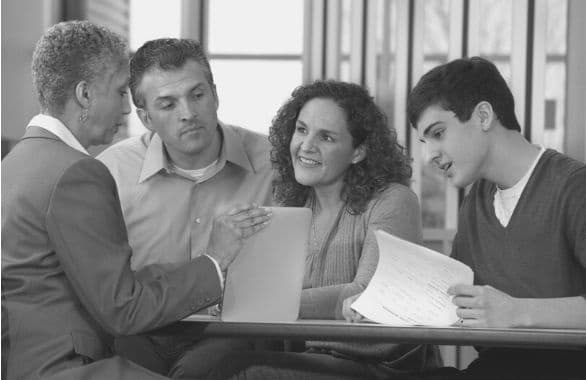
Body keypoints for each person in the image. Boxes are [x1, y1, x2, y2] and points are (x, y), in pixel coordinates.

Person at [1, 21, 270, 380]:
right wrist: (216, 260)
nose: (126, 110)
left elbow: (101, 281)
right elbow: (123, 309)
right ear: (84, 95)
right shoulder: (80, 173)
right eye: (118, 92)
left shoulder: (16, 161)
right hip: (66, 365)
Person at [209, 80, 441, 380]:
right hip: (313, 359)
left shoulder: (393, 201)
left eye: (326, 137)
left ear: (357, 151)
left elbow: (366, 296)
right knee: (215, 362)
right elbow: (260, 291)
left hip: (380, 367)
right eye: (302, 130)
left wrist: (264, 301)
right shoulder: (290, 206)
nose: (306, 146)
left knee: (245, 372)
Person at [96, 38, 275, 378]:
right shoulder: (111, 172)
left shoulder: (273, 163)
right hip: (142, 332)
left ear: (215, 95)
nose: (188, 114)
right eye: (167, 104)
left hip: (239, 333)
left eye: (197, 95)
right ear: (146, 118)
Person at [404, 56, 586, 379]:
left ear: (484, 116)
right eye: (424, 142)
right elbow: (452, 296)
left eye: (438, 133)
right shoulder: (476, 202)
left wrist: (516, 312)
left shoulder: (573, 187)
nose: (429, 155)